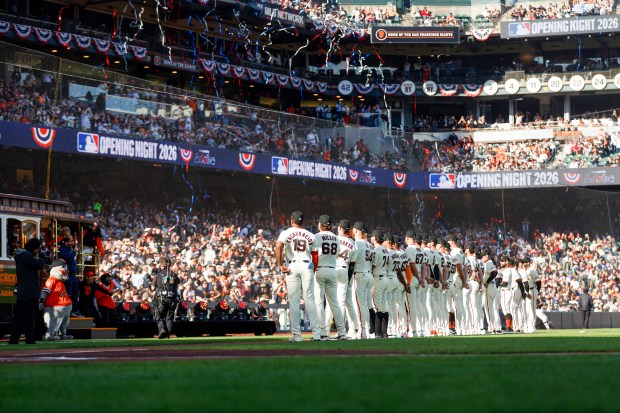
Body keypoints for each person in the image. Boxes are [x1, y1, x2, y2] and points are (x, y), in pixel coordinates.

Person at [275, 211, 321, 342]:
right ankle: (317, 333)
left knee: (294, 301)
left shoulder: (286, 232)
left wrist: (280, 265)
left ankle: (297, 335)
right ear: (302, 222)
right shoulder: (311, 235)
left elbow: (278, 248)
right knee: (310, 300)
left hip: (292, 266)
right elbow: (315, 257)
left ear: (291, 221)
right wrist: (312, 270)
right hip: (307, 265)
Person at [311, 215, 347, 340]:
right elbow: (337, 255)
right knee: (334, 303)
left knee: (319, 302)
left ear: (320, 225)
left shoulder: (316, 236)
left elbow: (313, 255)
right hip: (333, 270)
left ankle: (323, 332)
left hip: (320, 269)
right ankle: (342, 332)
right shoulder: (337, 239)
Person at [9, 238, 47, 344]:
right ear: (34, 248)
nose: (38, 251)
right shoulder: (26, 256)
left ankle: (14, 339)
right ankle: (29, 338)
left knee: (19, 318)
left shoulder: (20, 256)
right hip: (30, 292)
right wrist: (43, 257)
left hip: (22, 291)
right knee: (29, 317)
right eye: (38, 248)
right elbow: (39, 264)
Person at [40, 259, 73, 340]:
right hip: (54, 306)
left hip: (65, 306)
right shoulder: (52, 280)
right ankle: (50, 334)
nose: (66, 270)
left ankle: (62, 333)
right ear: (56, 269)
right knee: (54, 321)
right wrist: (41, 302)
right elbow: (45, 291)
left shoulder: (61, 282)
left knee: (64, 323)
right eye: (63, 268)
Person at [152, 257, 180, 338]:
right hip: (172, 299)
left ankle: (162, 330)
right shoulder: (174, 275)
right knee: (169, 317)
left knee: (158, 315)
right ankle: (168, 333)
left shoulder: (157, 275)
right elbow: (177, 287)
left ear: (162, 265)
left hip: (161, 299)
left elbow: (153, 288)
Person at [58, 236, 81, 317]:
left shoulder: (71, 250)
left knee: (75, 293)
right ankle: (68, 311)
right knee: (69, 293)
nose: (72, 243)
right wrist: (74, 252)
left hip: (73, 274)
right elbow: (69, 259)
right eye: (70, 241)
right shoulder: (63, 250)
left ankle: (75, 310)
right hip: (67, 274)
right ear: (66, 242)